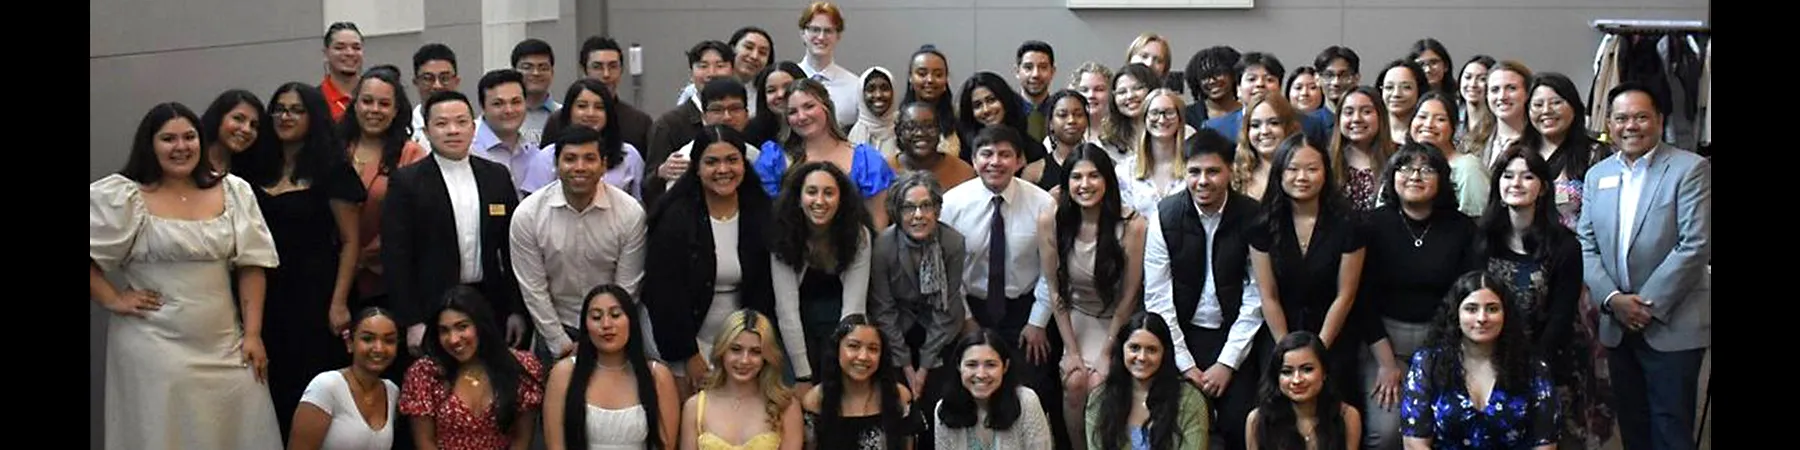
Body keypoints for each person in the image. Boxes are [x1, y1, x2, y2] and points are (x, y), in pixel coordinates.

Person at [91, 102, 282, 450]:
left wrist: (253, 333)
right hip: (153, 345)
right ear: (149, 145)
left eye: (189, 137)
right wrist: (113, 298)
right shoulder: (123, 196)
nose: (181, 147)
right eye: (168, 139)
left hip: (226, 343)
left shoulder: (234, 190)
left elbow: (253, 264)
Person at [1577, 83, 1711, 450]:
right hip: (1617, 323)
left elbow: (1696, 244)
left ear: (1659, 120)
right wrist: (1614, 300)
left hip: (1673, 322)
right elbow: (1585, 244)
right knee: (1632, 426)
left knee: (1671, 428)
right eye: (1621, 118)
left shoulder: (1690, 169)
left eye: (1640, 117)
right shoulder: (1597, 175)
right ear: (1609, 122)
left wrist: (1645, 305)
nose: (1630, 126)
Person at [238, 81, 368, 439]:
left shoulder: (331, 168)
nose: (285, 116)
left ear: (314, 116)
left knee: (312, 391)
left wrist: (339, 302)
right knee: (266, 386)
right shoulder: (252, 167)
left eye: (296, 110)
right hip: (264, 293)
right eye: (279, 109)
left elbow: (350, 241)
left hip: (316, 295)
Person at [1481, 145, 1613, 448]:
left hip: (1547, 358)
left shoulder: (1565, 246)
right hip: (1487, 354)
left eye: (1527, 176)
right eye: (1507, 175)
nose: (1516, 183)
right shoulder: (1482, 239)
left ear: (1542, 188)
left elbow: (1561, 317)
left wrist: (1528, 365)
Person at [1141, 128, 1265, 450]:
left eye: (1213, 172)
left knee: (1241, 423)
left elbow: (1257, 295)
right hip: (1180, 335)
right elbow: (1158, 297)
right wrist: (1185, 364)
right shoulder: (1165, 216)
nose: (1203, 181)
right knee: (1177, 426)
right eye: (1194, 172)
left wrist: (1228, 362)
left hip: (1236, 335)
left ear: (1230, 171)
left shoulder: (1252, 216)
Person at [1353, 143, 1481, 450]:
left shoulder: (1462, 228)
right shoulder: (1372, 225)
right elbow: (1361, 299)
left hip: (1444, 343)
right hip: (1382, 343)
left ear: (1442, 179)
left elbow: (1468, 294)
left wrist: (1446, 352)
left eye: (1427, 169)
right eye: (1405, 168)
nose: (1415, 176)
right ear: (1392, 177)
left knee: (1447, 422)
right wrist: (1385, 363)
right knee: (1386, 433)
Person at [642, 125, 778, 393]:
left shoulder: (761, 212)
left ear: (744, 163)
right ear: (697, 167)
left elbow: (766, 289)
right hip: (683, 341)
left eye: (731, 160)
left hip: (744, 343)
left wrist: (753, 346)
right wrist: (690, 356)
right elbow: (665, 295)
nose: (723, 170)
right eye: (712, 162)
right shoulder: (675, 217)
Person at [1039, 145, 1149, 450]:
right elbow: (1055, 290)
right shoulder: (1051, 220)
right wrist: (1071, 350)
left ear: (1107, 180)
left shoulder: (1133, 225)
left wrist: (1107, 351)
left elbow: (1129, 296)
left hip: (1119, 321)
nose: (1085, 185)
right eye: (1076, 177)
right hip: (1076, 317)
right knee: (1074, 382)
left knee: (1099, 384)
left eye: (1093, 176)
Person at [1249, 134, 1367, 407]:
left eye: (1312, 169)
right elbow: (1268, 295)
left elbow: (1346, 295)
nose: (1302, 177)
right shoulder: (1262, 224)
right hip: (1280, 332)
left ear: (1326, 172)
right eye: (1292, 169)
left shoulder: (1349, 224)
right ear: (1279, 173)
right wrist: (1288, 355)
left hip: (1332, 333)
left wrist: (1318, 352)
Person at [511, 126, 647, 361]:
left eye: (589, 159)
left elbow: (627, 287)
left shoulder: (629, 212)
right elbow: (533, 289)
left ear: (604, 165)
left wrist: (604, 334)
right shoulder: (528, 214)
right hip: (555, 328)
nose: (580, 167)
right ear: (556, 164)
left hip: (613, 327)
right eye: (570, 159)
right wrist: (560, 343)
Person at [1398, 272, 1558, 450]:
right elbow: (1414, 444)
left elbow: (1545, 445)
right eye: (1471, 309)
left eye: (1492, 309)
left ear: (1506, 315)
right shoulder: (1428, 363)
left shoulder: (1533, 367)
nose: (1482, 318)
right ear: (1456, 314)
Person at [868, 170, 973, 431]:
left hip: (940, 326)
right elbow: (883, 309)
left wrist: (924, 368)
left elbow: (947, 308)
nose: (918, 215)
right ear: (897, 211)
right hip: (896, 328)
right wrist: (906, 365)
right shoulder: (883, 246)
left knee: (937, 397)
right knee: (898, 399)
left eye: (926, 206)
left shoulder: (953, 243)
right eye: (909, 208)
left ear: (937, 209)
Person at [769, 161, 875, 387]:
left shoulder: (858, 236)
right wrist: (802, 375)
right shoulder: (782, 235)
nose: (820, 201)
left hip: (839, 326)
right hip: (793, 330)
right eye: (811, 192)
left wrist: (846, 365)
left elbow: (854, 309)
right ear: (798, 198)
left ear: (841, 199)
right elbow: (786, 311)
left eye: (829, 193)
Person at [399, 287, 546, 450]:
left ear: (480, 325)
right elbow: (425, 442)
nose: (453, 339)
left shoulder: (521, 365)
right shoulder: (424, 373)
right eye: (444, 331)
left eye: (462, 327)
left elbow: (522, 440)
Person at [543, 285, 681, 450]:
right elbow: (555, 446)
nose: (606, 324)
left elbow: (666, 445)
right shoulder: (564, 373)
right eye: (596, 317)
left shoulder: (657, 375)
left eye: (615, 315)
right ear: (585, 326)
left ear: (631, 320)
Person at [677, 309, 806, 450]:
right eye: (736, 349)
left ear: (766, 357)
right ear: (722, 350)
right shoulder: (694, 407)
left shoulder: (786, 406)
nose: (744, 360)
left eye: (755, 352)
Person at [1084, 313, 1212, 450]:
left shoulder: (1190, 400)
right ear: (1122, 350)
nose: (1142, 357)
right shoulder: (1099, 399)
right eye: (1134, 348)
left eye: (1152, 350)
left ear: (1164, 354)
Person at [801, 314, 926, 449]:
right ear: (837, 350)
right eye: (853, 346)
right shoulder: (815, 400)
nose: (863, 356)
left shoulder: (899, 396)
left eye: (873, 349)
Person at [288, 308, 403, 450]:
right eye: (368, 339)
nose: (379, 348)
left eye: (389, 340)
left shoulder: (392, 391)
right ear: (349, 342)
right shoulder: (326, 386)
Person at [933, 329, 1054, 450]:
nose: (981, 374)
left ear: (1005, 367)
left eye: (991, 365)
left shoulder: (1027, 402)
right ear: (959, 366)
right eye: (972, 365)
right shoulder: (944, 409)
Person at [1245, 331, 1360, 450]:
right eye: (1287, 372)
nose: (1297, 380)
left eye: (1307, 369)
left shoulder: (1347, 416)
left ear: (1324, 372)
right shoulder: (1257, 420)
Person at [199, 89, 266, 175]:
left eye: (254, 125)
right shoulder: (190, 161)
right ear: (218, 117)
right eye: (238, 119)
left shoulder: (251, 174)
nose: (247, 129)